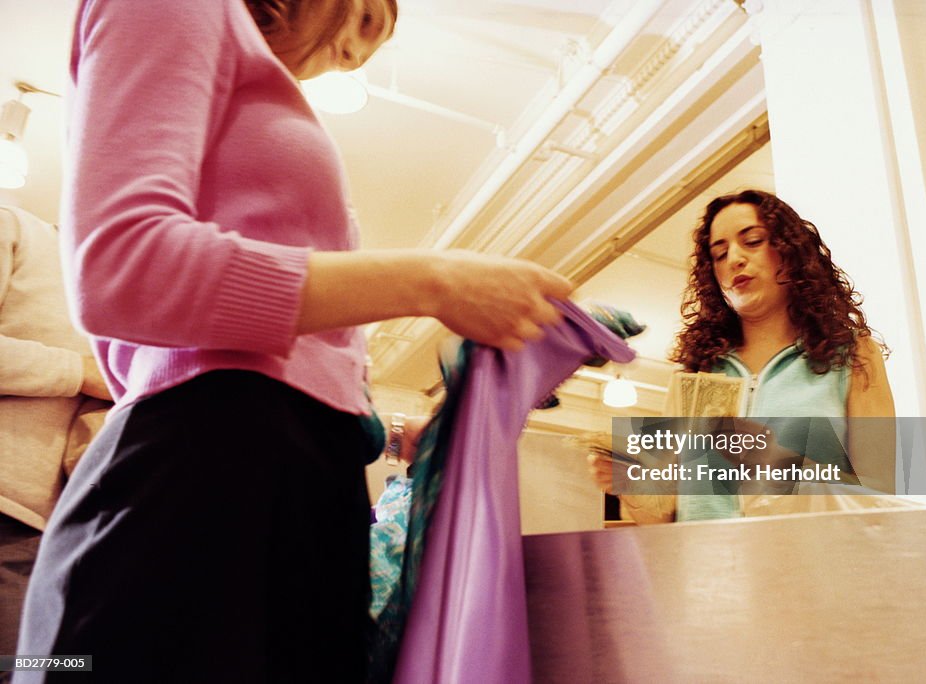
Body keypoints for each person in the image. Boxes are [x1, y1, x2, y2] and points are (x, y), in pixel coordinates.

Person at [15, 0, 572, 681]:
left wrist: (382, 428)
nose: (359, 52)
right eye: (367, 18)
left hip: (292, 495)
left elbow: (287, 359)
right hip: (199, 492)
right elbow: (123, 268)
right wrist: (434, 280)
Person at [589, 189, 895, 522]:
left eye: (752, 241)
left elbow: (879, 491)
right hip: (710, 567)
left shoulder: (851, 353)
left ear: (790, 253)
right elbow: (665, 512)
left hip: (808, 565)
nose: (734, 259)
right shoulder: (694, 373)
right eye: (719, 254)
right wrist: (628, 479)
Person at [0, 206, 112, 674]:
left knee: (56, 667)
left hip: (51, 544)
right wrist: (80, 372)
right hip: (7, 515)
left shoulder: (134, 304)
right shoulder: (15, 227)